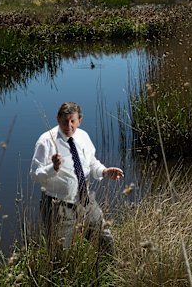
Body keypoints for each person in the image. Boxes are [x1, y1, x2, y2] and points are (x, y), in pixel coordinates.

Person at [30, 102, 124, 258]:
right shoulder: (46, 141)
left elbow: (92, 163)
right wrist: (53, 168)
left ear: (80, 120)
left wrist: (105, 171)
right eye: (65, 121)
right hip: (58, 206)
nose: (69, 125)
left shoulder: (83, 136)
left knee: (104, 239)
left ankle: (110, 273)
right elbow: (34, 174)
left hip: (86, 201)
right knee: (61, 253)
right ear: (58, 119)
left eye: (72, 121)